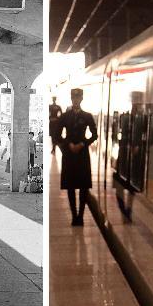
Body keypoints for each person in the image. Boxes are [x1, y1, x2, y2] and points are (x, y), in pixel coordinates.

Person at [56, 88, 97, 226]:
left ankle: (81, 215)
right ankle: (74, 216)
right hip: (69, 155)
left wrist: (82, 144)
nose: (76, 100)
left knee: (84, 186)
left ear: (82, 99)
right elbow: (57, 135)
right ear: (71, 99)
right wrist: (67, 146)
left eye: (78, 98)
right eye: (74, 98)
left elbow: (94, 134)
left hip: (82, 154)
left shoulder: (87, 116)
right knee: (71, 186)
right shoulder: (64, 116)